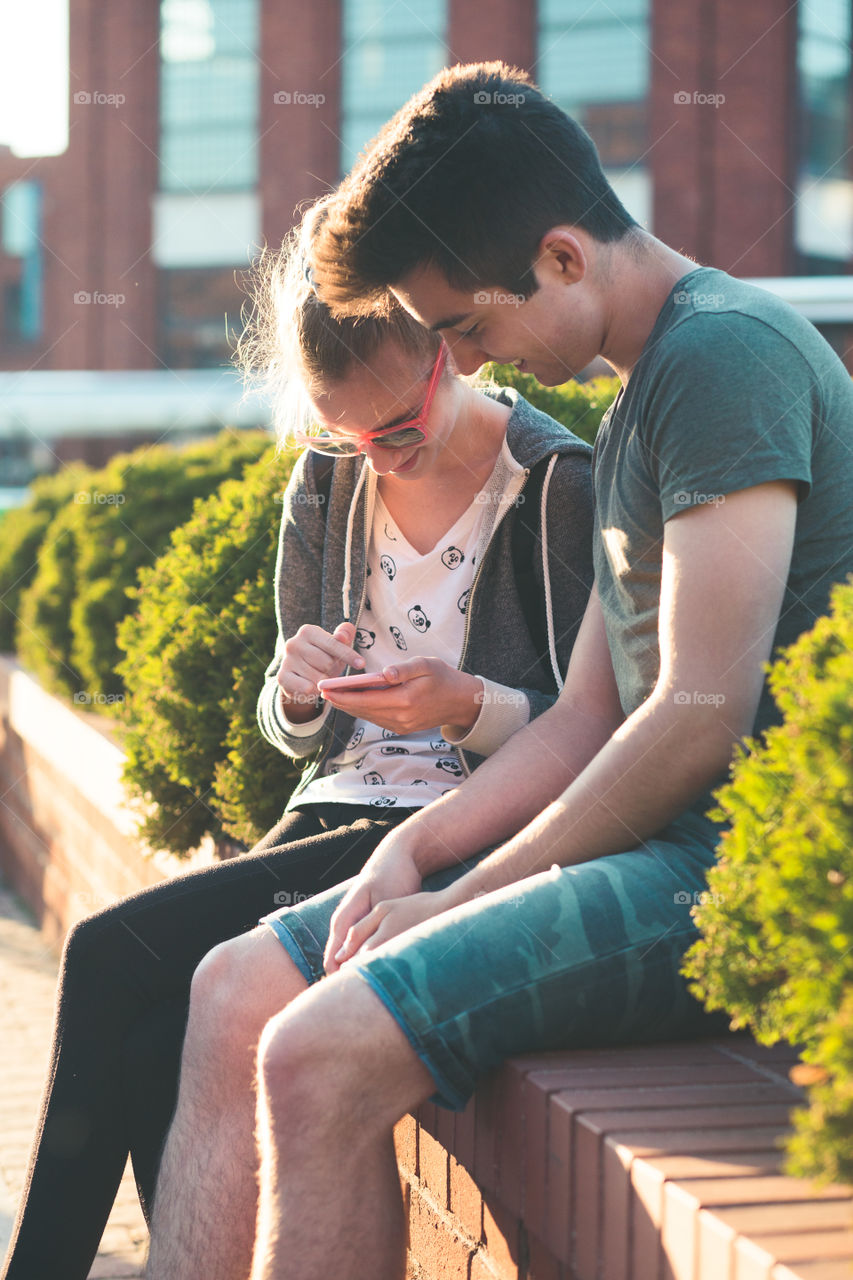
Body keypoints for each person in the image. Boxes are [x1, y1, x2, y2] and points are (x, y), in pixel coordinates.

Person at [143, 62, 853, 1280]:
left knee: (313, 1053)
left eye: (465, 324)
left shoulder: (722, 361)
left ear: (564, 258)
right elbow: (586, 711)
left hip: (721, 862)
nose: (471, 356)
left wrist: (460, 897)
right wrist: (413, 850)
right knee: (232, 989)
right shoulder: (644, 393)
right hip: (644, 842)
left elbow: (695, 717)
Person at [0, 200, 595, 1280]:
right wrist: (301, 685)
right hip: (330, 811)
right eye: (348, 434)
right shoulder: (325, 480)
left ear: (444, 351)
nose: (380, 456)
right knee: (143, 1020)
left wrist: (467, 705)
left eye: (398, 430)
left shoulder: (555, 484)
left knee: (104, 956)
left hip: (458, 828)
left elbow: (590, 734)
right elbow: (287, 731)